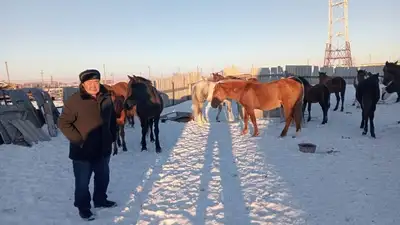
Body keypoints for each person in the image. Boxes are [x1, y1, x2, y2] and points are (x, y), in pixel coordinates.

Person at [58, 69, 117, 221]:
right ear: (83, 84)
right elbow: (63, 123)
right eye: (89, 83)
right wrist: (79, 141)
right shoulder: (75, 101)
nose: (93, 86)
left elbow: (112, 120)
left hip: (103, 149)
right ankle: (83, 208)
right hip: (82, 152)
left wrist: (112, 136)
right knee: (82, 182)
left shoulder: (106, 97)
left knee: (103, 178)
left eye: (96, 82)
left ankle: (100, 200)